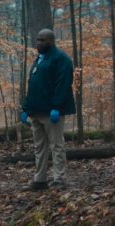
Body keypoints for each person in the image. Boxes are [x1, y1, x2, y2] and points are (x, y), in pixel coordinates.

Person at [20, 28, 76, 190]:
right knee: (39, 147)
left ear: (51, 41)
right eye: (37, 39)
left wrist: (56, 107)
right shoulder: (40, 59)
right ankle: (40, 180)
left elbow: (63, 84)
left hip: (51, 112)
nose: (38, 43)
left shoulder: (61, 59)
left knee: (57, 146)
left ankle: (59, 179)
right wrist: (26, 108)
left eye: (42, 40)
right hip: (36, 111)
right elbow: (33, 85)